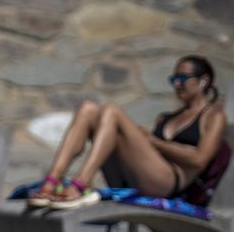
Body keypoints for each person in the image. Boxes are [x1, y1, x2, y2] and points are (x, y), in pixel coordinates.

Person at [29, 55, 227, 210]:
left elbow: (199, 160)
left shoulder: (212, 117)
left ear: (203, 81)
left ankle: (81, 183)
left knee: (111, 111)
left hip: (167, 184)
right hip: (137, 177)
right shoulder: (165, 118)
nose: (177, 84)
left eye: (183, 78)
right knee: (88, 109)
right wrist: (145, 140)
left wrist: (152, 141)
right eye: (174, 79)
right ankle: (51, 181)